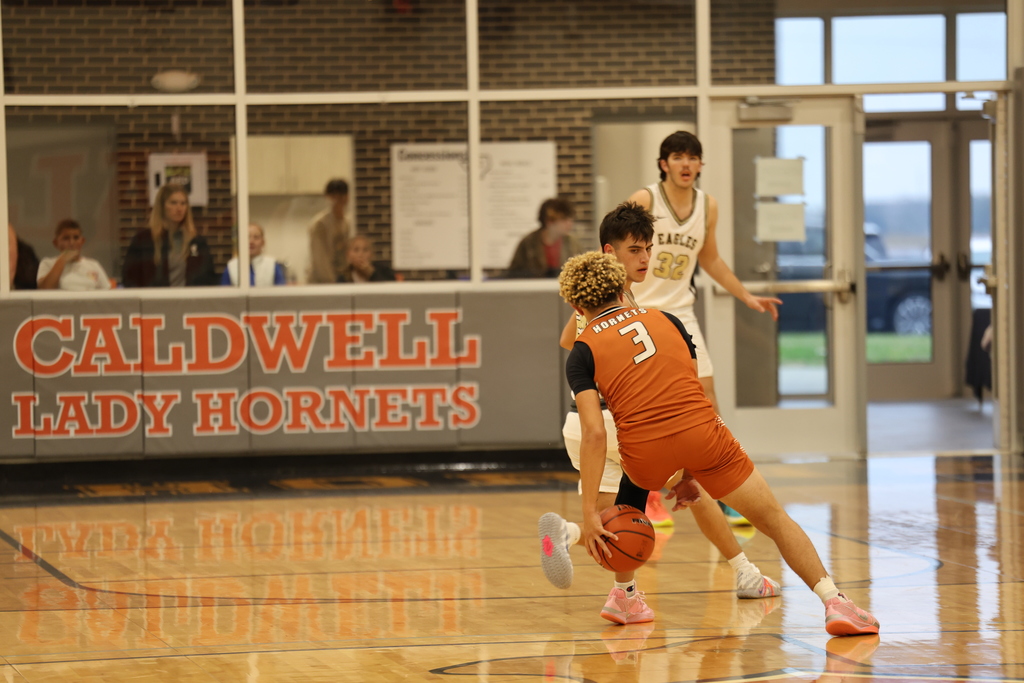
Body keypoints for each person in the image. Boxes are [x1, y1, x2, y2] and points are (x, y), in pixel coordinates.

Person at [548, 249, 879, 637]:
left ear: (575, 304)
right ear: (622, 288)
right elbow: (692, 391)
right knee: (773, 518)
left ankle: (625, 595)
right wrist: (690, 472)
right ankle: (834, 602)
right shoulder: (667, 318)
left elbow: (595, 433)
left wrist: (588, 512)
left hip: (644, 451)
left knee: (626, 516)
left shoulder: (582, 351)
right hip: (703, 433)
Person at [541, 203, 780, 627]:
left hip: (579, 422)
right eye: (635, 250)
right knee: (697, 483)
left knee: (619, 517)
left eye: (648, 249)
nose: (646, 259)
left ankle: (618, 589)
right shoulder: (631, 301)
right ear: (608, 253)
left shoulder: (590, 300)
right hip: (618, 421)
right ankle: (745, 571)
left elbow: (567, 341)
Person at [628, 131, 782, 524]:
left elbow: (710, 259)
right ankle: (645, 492)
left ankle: (721, 486)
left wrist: (745, 295)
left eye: (693, 158)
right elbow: (614, 251)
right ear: (664, 164)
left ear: (700, 165)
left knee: (707, 401)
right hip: (640, 313)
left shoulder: (708, 206)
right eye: (678, 157)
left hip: (681, 314)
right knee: (640, 409)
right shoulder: (644, 200)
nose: (686, 164)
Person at [122, 184, 216, 287]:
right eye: (173, 203)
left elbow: (209, 278)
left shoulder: (196, 241)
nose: (179, 208)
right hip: (155, 300)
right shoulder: (144, 240)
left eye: (183, 203)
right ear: (162, 206)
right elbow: (130, 279)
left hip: (189, 300)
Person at [508, 198, 583, 278]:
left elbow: (583, 271)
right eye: (563, 219)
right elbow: (514, 274)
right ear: (549, 221)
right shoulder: (528, 243)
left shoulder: (572, 243)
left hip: (564, 289)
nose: (569, 223)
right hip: (534, 289)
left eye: (570, 219)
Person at [37, 219, 113, 291]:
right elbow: (45, 289)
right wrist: (62, 260)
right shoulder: (47, 263)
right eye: (66, 238)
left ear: (82, 241)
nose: (71, 243)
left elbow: (108, 294)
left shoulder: (94, 265)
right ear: (56, 243)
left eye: (76, 238)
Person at [308, 178, 351, 284]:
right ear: (327, 198)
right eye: (333, 197)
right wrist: (332, 284)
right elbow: (321, 260)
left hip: (342, 281)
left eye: (341, 196)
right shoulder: (320, 224)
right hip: (322, 283)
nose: (337, 201)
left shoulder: (348, 222)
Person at [221, 223, 286, 287]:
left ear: (263, 242)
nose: (251, 241)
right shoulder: (231, 266)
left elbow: (282, 292)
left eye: (256, 237)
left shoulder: (272, 265)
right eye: (247, 237)